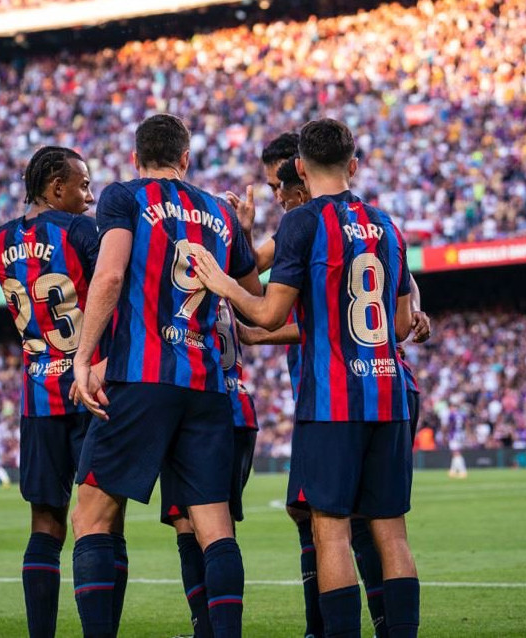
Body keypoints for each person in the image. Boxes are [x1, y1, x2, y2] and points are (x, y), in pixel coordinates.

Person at [190, 118, 420, 637]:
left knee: (331, 531)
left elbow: (268, 314)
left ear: (299, 167)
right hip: (388, 394)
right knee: (392, 533)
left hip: (331, 402)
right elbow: (403, 324)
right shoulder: (388, 224)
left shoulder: (301, 223)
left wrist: (224, 283)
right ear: (353, 164)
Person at [69, 114, 260, 638]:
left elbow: (109, 273)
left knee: (91, 515)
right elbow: (253, 300)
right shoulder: (221, 211)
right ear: (186, 159)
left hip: (142, 376)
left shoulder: (124, 195)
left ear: (136, 158)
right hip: (205, 383)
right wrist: (242, 235)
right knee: (213, 525)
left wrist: (84, 359)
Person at [0, 146, 118, 637]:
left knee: (45, 522)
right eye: (83, 185)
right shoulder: (82, 231)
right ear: (55, 187)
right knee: (103, 521)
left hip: (38, 393)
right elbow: (114, 288)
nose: (89, 197)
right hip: (92, 391)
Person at [158, 299, 257, 638]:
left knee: (196, 529)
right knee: (215, 528)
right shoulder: (223, 287)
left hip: (201, 409)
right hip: (239, 406)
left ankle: (210, 631)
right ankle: (212, 629)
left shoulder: (180, 290)